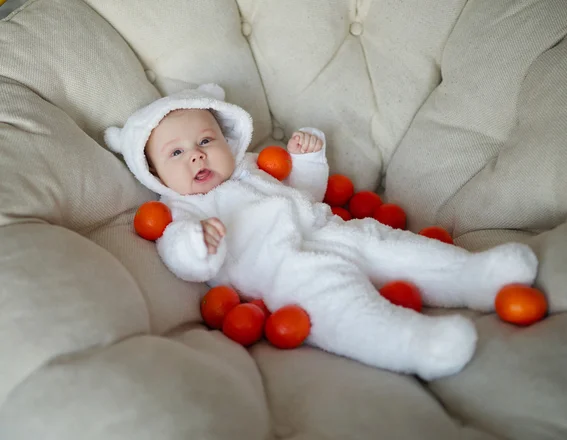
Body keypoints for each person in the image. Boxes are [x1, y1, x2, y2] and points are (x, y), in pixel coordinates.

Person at [104, 84, 538, 380]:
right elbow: (179, 255)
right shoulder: (179, 210)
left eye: (205, 141)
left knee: (390, 246)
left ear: (227, 140)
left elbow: (305, 195)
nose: (197, 158)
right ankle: (412, 345)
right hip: (285, 273)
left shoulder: (251, 166)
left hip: (330, 230)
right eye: (176, 153)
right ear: (156, 173)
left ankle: (475, 277)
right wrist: (199, 244)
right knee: (339, 305)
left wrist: (307, 161)